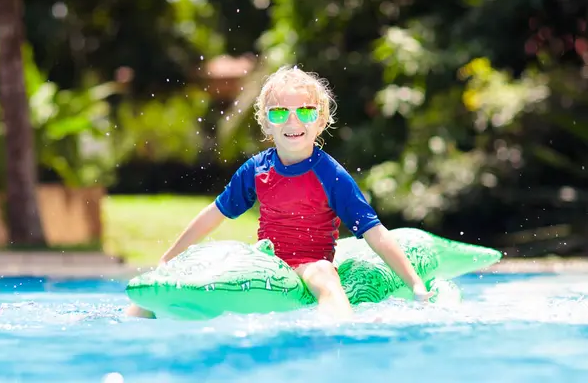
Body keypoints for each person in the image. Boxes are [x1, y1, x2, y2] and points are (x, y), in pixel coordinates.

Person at [126, 65, 433, 320]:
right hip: (267, 261)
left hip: (309, 265)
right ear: (265, 124)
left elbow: (374, 232)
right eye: (279, 113)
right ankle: (127, 328)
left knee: (326, 273)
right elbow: (214, 214)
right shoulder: (256, 170)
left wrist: (415, 284)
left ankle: (341, 335)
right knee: (173, 283)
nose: (292, 121)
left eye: (305, 112)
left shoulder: (330, 175)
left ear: (321, 120)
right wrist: (167, 260)